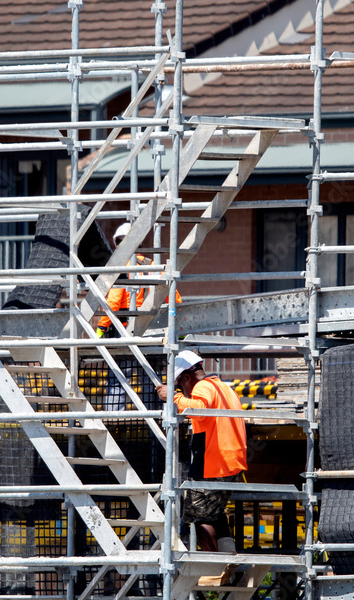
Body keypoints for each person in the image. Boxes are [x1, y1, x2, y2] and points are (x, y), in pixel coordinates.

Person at [156, 351, 246, 568]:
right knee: (213, 511)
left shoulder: (203, 387)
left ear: (186, 377)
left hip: (214, 461)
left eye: (180, 385)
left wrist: (173, 397)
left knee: (196, 515)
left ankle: (215, 566)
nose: (182, 391)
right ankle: (228, 555)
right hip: (230, 461)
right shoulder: (224, 387)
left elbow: (200, 409)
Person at [96, 222, 181, 337]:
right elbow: (173, 296)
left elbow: (114, 302)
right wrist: (180, 325)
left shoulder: (121, 266)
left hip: (125, 328)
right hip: (151, 326)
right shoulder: (151, 265)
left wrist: (102, 327)